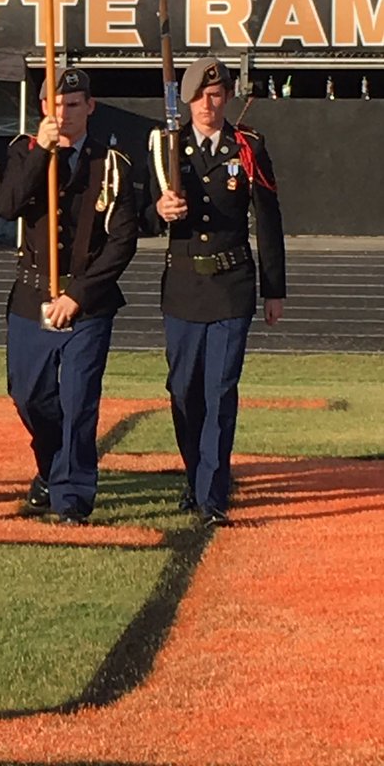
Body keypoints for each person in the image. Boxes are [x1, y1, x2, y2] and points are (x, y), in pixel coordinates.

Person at [146, 56, 285, 526]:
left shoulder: (247, 147)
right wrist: (159, 209)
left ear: (227, 96)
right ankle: (194, 476)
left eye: (218, 93)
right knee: (185, 392)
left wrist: (274, 288)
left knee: (221, 390)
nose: (210, 102)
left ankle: (213, 494)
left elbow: (267, 217)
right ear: (186, 100)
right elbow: (141, 212)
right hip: (184, 286)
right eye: (202, 95)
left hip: (231, 284)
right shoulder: (169, 146)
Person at [0, 68, 137, 524]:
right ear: (42, 109)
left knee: (78, 400)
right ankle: (52, 470)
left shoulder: (112, 164)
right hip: (32, 294)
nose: (64, 112)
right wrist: (42, 151)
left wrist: (77, 295)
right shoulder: (23, 151)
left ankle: (72, 497)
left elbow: (122, 240)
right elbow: (9, 205)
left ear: (90, 107)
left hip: (87, 301)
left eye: (74, 104)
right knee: (29, 396)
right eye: (55, 104)